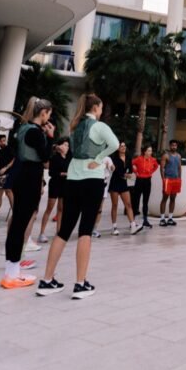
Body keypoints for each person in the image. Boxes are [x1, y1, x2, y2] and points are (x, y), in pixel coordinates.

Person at [36, 94, 118, 299]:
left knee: (63, 231)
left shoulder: (75, 126)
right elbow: (114, 144)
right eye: (100, 107)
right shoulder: (99, 126)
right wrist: (99, 158)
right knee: (85, 231)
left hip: (72, 179)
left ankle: (46, 280)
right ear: (97, 108)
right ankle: (80, 284)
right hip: (92, 180)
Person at [1, 99, 54, 289]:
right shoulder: (35, 132)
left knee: (17, 223)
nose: (49, 117)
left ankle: (11, 269)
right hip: (30, 177)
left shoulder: (23, 128)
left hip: (21, 174)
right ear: (43, 113)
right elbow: (46, 157)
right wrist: (51, 136)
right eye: (48, 113)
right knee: (20, 225)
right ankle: (12, 274)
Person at [38, 137, 71, 242]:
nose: (67, 147)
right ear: (60, 146)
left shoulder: (69, 158)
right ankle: (42, 233)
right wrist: (62, 173)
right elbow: (51, 173)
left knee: (61, 209)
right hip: (55, 184)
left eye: (68, 145)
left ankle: (59, 231)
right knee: (49, 208)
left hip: (65, 185)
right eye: (65, 145)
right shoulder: (55, 158)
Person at [109, 142, 142, 236]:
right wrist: (125, 175)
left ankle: (132, 225)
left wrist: (130, 174)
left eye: (124, 146)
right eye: (121, 146)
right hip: (115, 183)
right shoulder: (114, 158)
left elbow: (130, 170)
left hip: (123, 183)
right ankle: (114, 227)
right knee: (114, 205)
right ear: (117, 148)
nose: (123, 147)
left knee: (128, 204)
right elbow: (115, 171)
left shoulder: (128, 158)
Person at [132, 143, 159, 228]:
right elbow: (132, 163)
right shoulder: (139, 159)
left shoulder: (153, 159)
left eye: (151, 151)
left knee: (145, 201)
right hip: (139, 180)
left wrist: (151, 172)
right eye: (148, 150)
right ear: (144, 151)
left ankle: (145, 220)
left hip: (148, 181)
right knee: (136, 201)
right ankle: (132, 221)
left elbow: (156, 166)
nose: (150, 152)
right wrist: (135, 171)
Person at [159, 139, 182, 227]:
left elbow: (179, 168)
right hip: (168, 179)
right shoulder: (166, 155)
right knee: (165, 198)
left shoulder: (179, 156)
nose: (174, 147)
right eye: (172, 145)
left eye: (175, 145)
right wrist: (163, 179)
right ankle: (162, 219)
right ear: (170, 146)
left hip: (176, 180)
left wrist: (180, 178)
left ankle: (170, 218)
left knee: (173, 198)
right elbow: (161, 168)